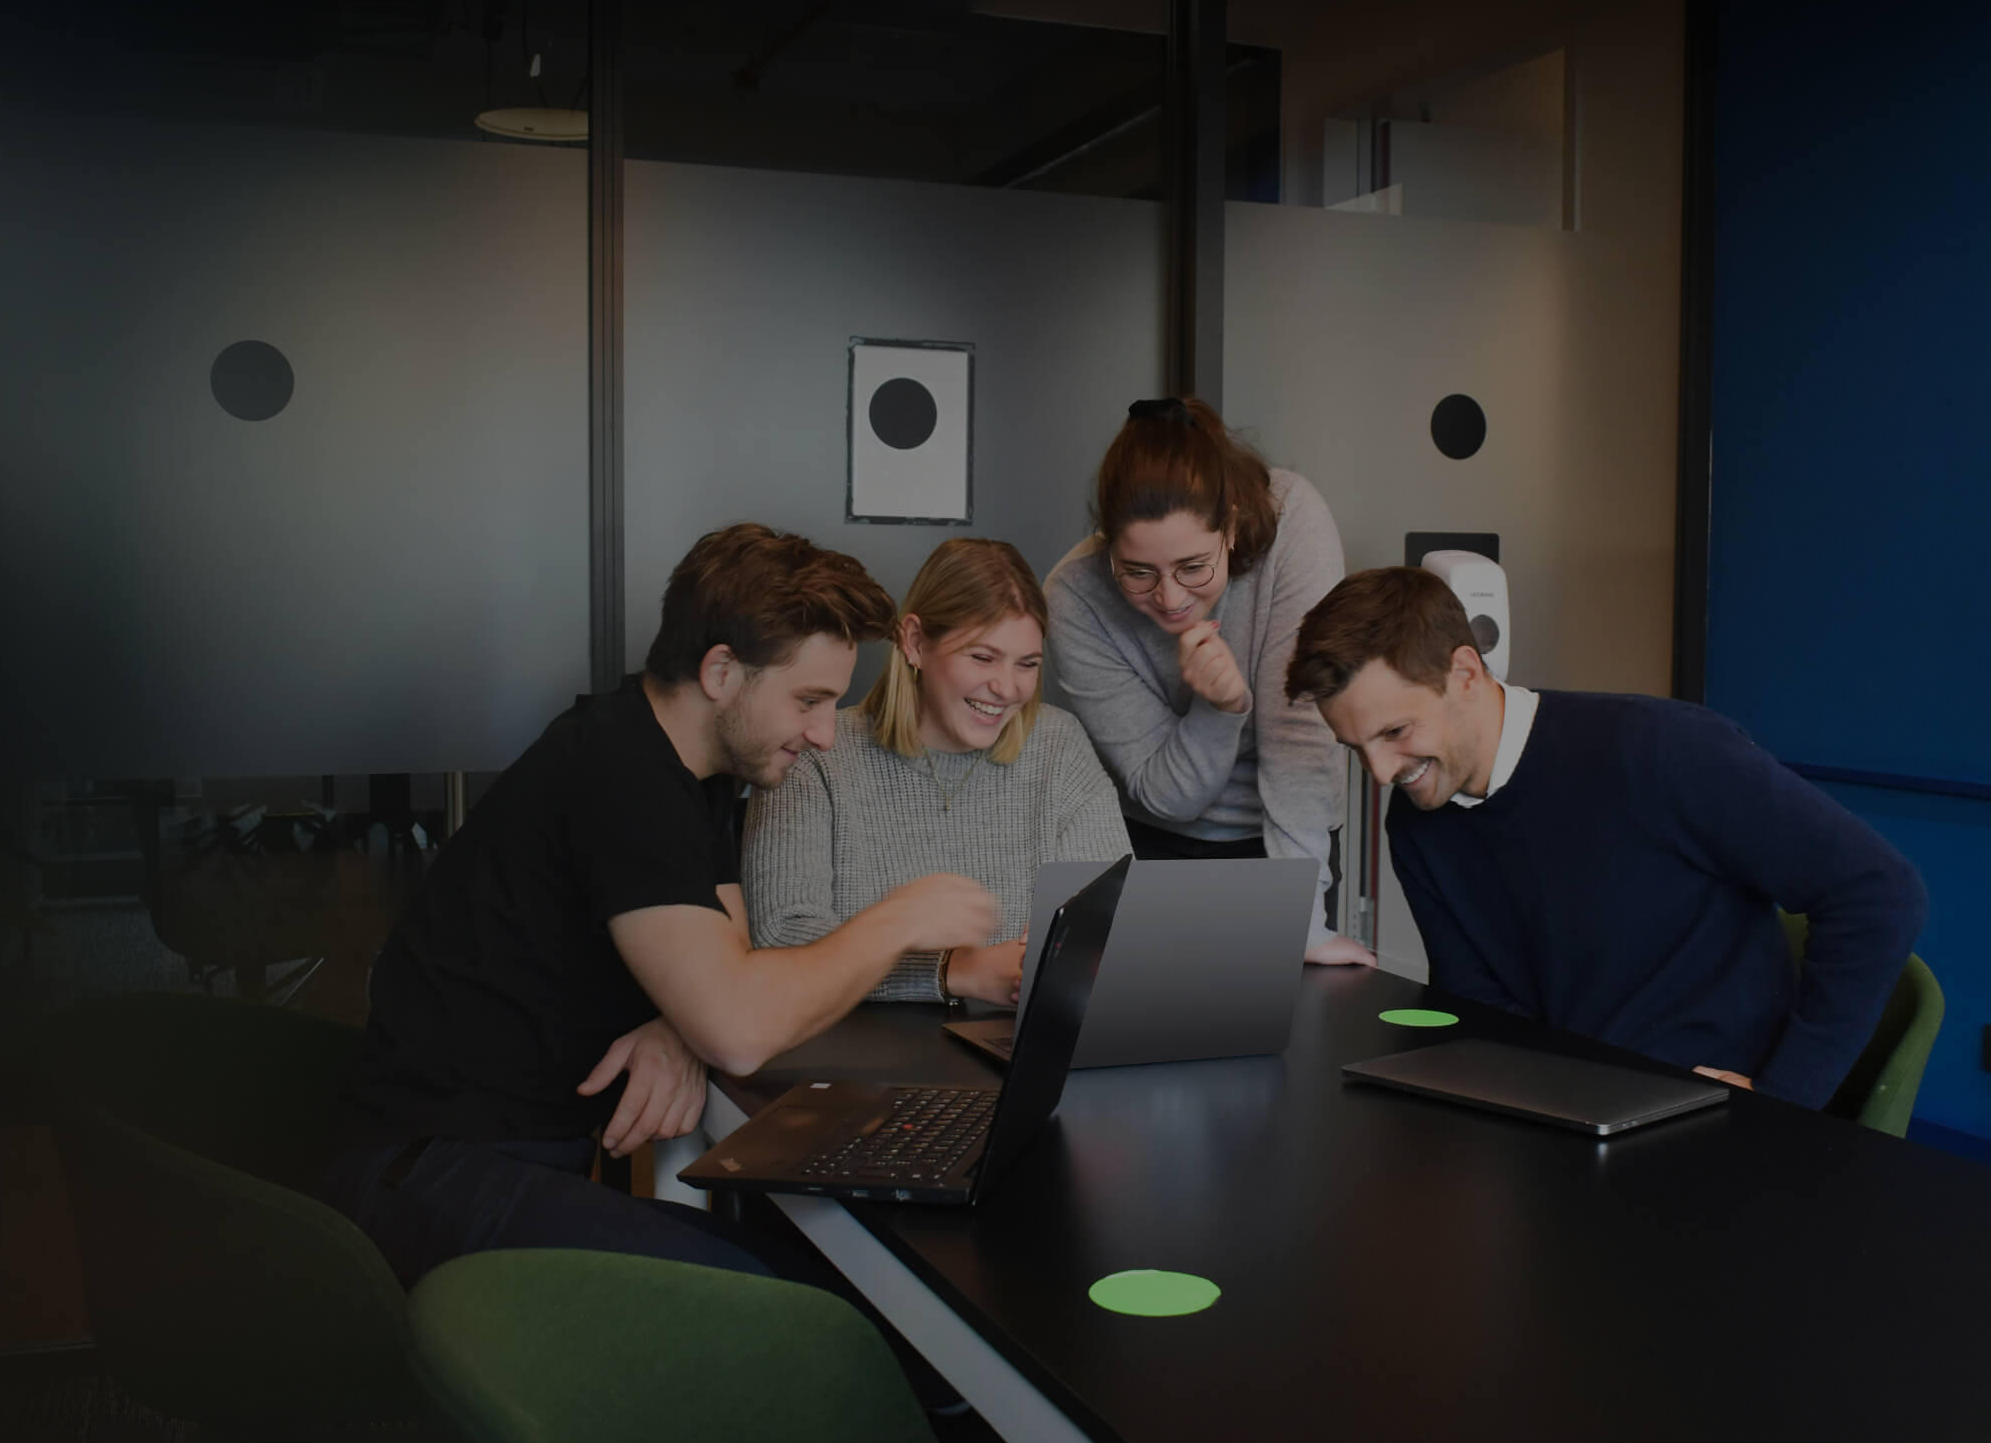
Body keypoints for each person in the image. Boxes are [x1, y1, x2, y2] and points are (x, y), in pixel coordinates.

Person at [326, 523, 1000, 1288]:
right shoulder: (620, 771)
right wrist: (899, 919)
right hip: (427, 1178)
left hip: (495, 1163)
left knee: (813, 1278)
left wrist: (683, 1019)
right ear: (720, 670)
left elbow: (731, 959)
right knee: (808, 1303)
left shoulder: (685, 762)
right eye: (809, 700)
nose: (823, 734)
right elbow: (740, 1031)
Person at [1282, 565, 1928, 1107]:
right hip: (1575, 1116)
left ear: (1466, 674)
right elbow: (1480, 1010)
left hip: (1715, 1118)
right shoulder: (1418, 822)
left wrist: (1783, 1097)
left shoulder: (1659, 749)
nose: (1381, 772)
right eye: (1355, 747)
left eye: (1395, 732)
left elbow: (1878, 893)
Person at [1042, 396, 1371, 964]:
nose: (1170, 598)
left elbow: (1300, 741)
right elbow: (1167, 795)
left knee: (1293, 1012)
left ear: (1233, 526)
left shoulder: (1294, 521)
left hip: (1291, 845)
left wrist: (1301, 922)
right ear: (1107, 544)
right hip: (1152, 846)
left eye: (1193, 567)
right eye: (1137, 572)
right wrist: (1221, 708)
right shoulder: (1075, 597)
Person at [743, 537, 1130, 1009]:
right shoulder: (815, 753)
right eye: (982, 657)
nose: (1006, 688)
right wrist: (954, 970)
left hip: (1009, 1037)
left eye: (1027, 664)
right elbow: (781, 937)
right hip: (852, 1042)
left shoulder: (1058, 745)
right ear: (915, 642)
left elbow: (1115, 924)